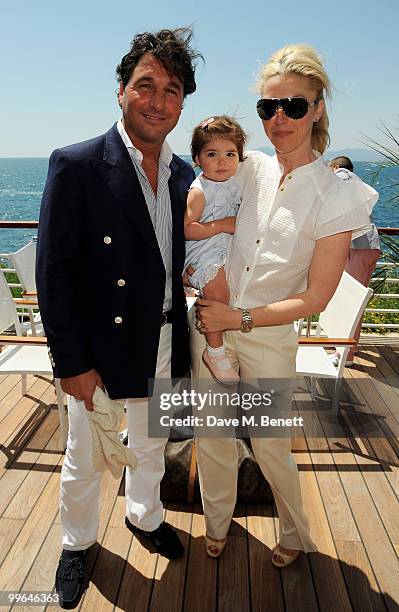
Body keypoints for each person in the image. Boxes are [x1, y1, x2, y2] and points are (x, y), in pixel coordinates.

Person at [190, 44, 378, 563]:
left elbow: (317, 295)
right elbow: (195, 209)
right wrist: (191, 265)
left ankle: (295, 534)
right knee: (211, 435)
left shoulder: (340, 195)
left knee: (271, 445)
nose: (280, 118)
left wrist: (240, 317)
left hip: (267, 335)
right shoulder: (246, 166)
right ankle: (216, 523)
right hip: (211, 323)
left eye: (295, 105)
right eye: (269, 107)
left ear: (317, 108)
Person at [36, 28, 201, 608]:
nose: (156, 101)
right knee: (85, 454)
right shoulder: (77, 165)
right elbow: (54, 273)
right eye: (145, 85)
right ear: (121, 91)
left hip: (165, 336)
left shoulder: (191, 178)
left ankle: (144, 514)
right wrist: (71, 363)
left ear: (184, 103)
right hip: (101, 348)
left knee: (154, 440)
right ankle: (78, 544)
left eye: (171, 90)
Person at [184, 116, 246, 383]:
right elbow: (187, 229)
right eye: (212, 154)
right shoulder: (200, 191)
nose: (223, 161)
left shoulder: (236, 183)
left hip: (223, 249)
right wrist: (222, 224)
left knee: (226, 291)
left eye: (230, 154)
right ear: (197, 159)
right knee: (218, 293)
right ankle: (215, 351)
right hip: (203, 251)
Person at [329, 156, 381, 365]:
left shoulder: (343, 176)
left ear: (335, 167)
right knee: (355, 301)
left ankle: (346, 354)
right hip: (370, 247)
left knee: (349, 302)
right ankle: (350, 347)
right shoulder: (357, 185)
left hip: (358, 250)